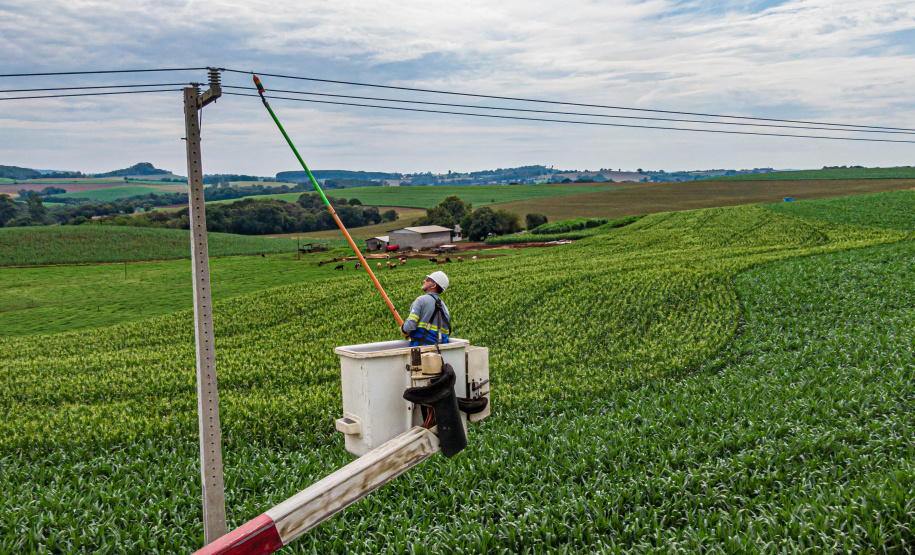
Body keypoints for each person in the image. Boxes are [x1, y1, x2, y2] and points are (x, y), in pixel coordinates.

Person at [401, 271, 451, 346]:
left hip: (421, 349)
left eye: (428, 279)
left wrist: (403, 330)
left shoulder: (421, 300)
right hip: (439, 351)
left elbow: (409, 326)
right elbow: (446, 334)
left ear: (434, 285)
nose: (424, 281)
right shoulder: (444, 307)